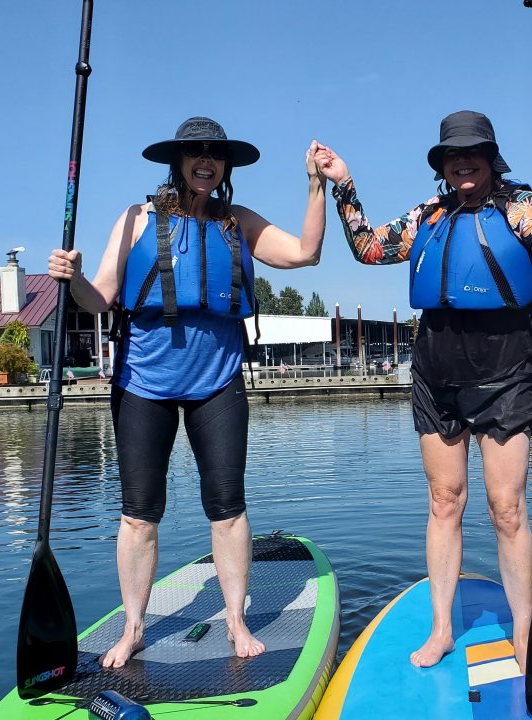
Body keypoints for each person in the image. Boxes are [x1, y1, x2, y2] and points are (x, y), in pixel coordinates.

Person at [47, 116, 328, 667]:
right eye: (194, 152)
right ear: (176, 161)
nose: (206, 161)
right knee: (138, 515)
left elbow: (305, 253)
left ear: (225, 166)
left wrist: (317, 184)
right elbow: (100, 298)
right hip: (142, 384)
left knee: (227, 509)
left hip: (217, 383)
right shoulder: (135, 220)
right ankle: (133, 627)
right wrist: (71, 277)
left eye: (215, 154)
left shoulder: (237, 222)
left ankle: (234, 618)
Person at [312, 110, 532, 671]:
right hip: (435, 378)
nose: (463, 162)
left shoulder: (520, 207)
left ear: (489, 159)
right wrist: (344, 185)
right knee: (444, 502)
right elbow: (367, 247)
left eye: (474, 153)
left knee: (507, 509)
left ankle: (527, 631)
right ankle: (441, 629)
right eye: (452, 154)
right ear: (442, 164)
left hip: (504, 376)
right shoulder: (426, 217)